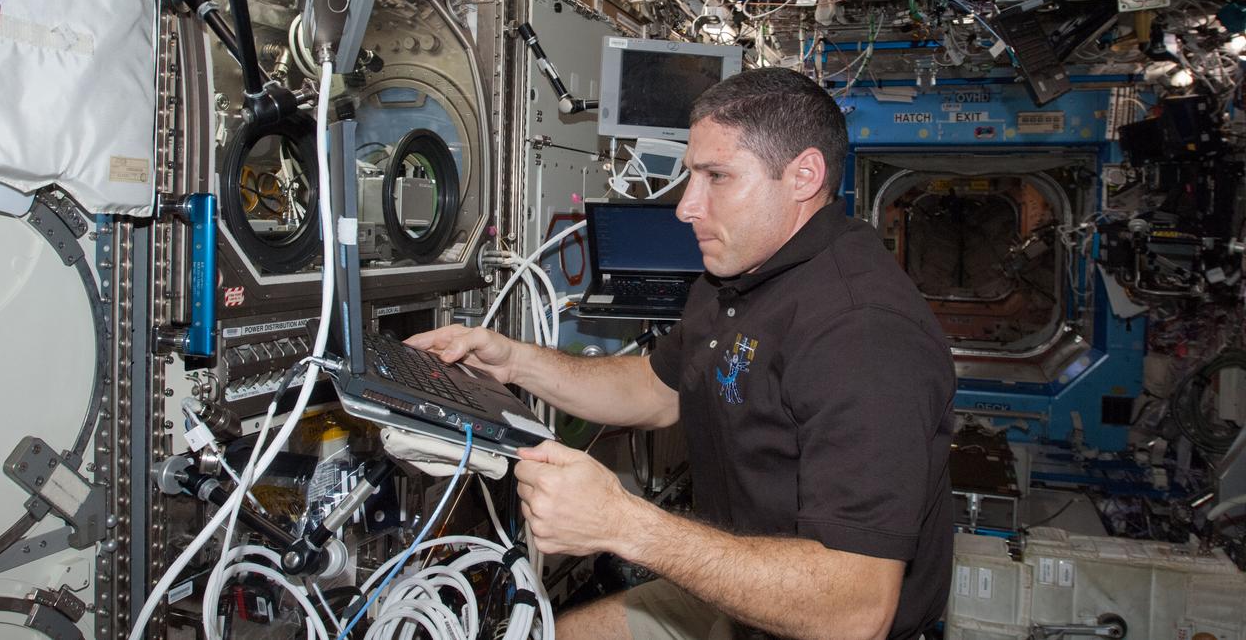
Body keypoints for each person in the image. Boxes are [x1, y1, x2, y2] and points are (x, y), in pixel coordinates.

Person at [406, 68, 955, 640]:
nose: (686, 207)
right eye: (692, 175)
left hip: (808, 606)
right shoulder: (736, 278)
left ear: (804, 176)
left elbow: (854, 608)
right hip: (736, 582)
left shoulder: (863, 334)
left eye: (716, 176)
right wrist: (514, 361)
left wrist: (623, 525)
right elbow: (655, 387)